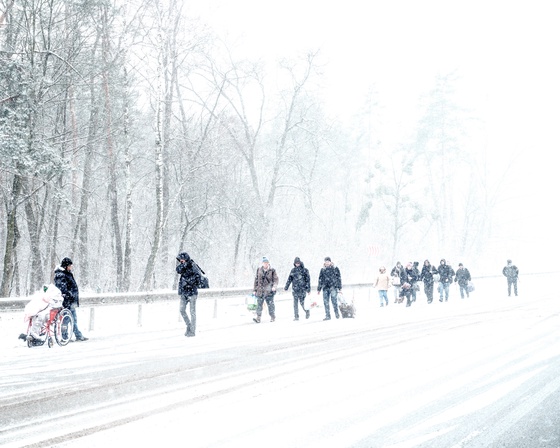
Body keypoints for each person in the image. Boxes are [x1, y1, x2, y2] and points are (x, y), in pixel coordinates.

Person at [54, 257, 88, 341]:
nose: (71, 267)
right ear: (66, 266)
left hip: (70, 301)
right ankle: (66, 336)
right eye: (69, 266)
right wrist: (70, 295)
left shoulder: (66, 273)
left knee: (72, 319)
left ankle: (73, 335)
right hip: (67, 301)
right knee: (67, 319)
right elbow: (62, 289)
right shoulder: (61, 275)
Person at [176, 251, 202, 337]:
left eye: (182, 259)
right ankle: (189, 326)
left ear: (186, 259)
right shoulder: (182, 267)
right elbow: (178, 270)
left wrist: (188, 282)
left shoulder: (193, 265)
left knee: (192, 312)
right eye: (180, 260)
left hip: (192, 293)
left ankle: (192, 331)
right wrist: (183, 265)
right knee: (182, 310)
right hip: (184, 293)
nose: (181, 261)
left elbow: (198, 277)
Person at [253, 257, 279, 323]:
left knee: (270, 305)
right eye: (264, 263)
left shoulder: (272, 270)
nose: (265, 264)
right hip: (260, 291)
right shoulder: (259, 270)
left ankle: (272, 316)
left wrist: (274, 287)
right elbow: (256, 280)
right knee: (259, 305)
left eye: (267, 263)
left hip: (269, 291)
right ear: (262, 263)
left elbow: (276, 280)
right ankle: (258, 317)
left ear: (268, 263)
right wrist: (254, 290)